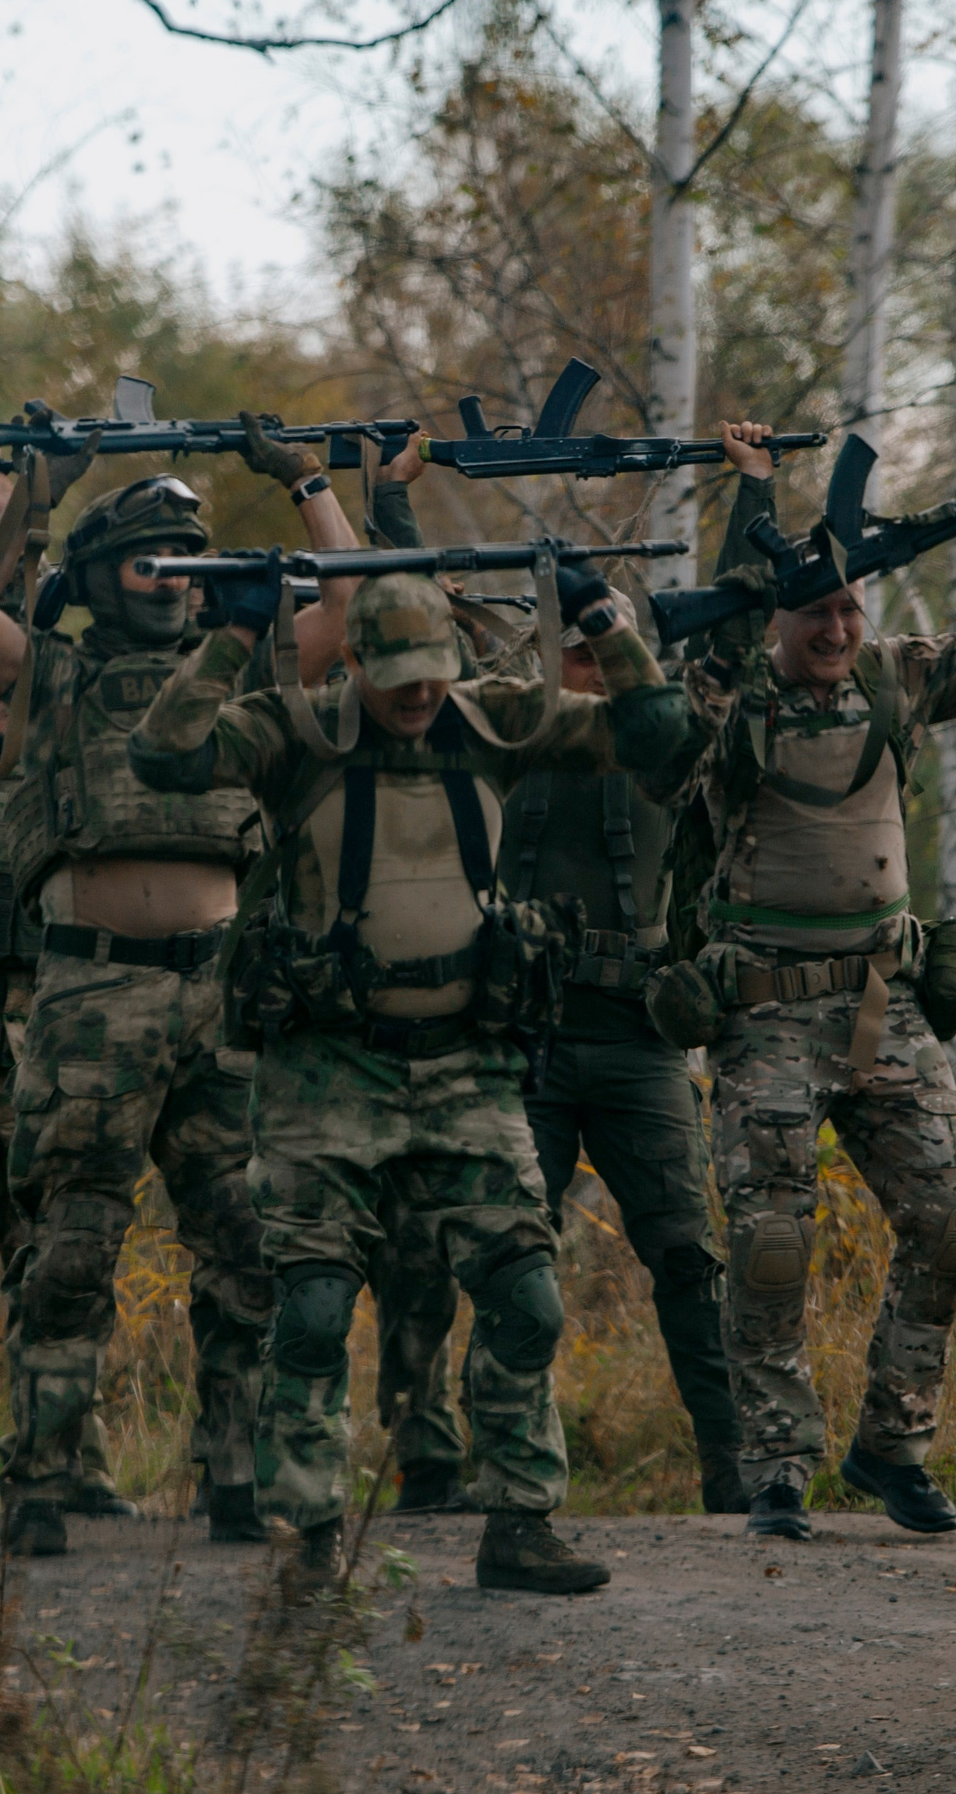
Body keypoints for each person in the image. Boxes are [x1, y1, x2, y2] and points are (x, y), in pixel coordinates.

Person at [126, 558, 688, 1596]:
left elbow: (657, 740)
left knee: (525, 1294)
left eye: (433, 671)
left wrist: (609, 623)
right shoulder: (297, 733)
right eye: (397, 677)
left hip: (466, 1063)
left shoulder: (498, 721)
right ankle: (309, 1536)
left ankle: (517, 1518)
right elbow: (162, 758)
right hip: (325, 1069)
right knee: (311, 1309)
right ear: (354, 661)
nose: (418, 696)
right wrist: (226, 637)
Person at [0, 422, 357, 1558]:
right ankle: (41, 1475)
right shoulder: (63, 677)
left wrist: (309, 483)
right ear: (102, 575)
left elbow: (347, 616)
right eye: (150, 561)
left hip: (222, 999)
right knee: (72, 1244)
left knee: (246, 1248)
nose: (172, 583)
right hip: (92, 998)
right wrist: (21, 499)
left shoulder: (237, 673)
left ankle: (235, 1473)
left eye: (190, 559)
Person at [644, 422, 956, 1542]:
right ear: (774, 618)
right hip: (763, 1012)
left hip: (885, 1005)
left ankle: (892, 1443)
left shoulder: (897, 677)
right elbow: (676, 713)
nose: (839, 629)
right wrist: (743, 517)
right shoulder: (729, 699)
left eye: (851, 609)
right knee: (768, 1243)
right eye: (817, 614)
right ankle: (774, 1463)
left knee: (950, 1223)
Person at [364, 443, 745, 1516]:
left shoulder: (672, 733)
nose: (582, 655)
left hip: (636, 1035)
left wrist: (750, 494)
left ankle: (737, 1468)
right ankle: (449, 1464)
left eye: (598, 639)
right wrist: (388, 501)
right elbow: (407, 635)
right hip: (514, 1034)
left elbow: (747, 619)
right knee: (474, 1251)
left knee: (684, 1250)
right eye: (568, 640)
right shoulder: (504, 719)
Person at [0, 680, 133, 1516]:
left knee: (60, 1271)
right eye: (5, 690)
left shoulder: (69, 767)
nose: (22, 706)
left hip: (42, 1058)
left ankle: (66, 1460)